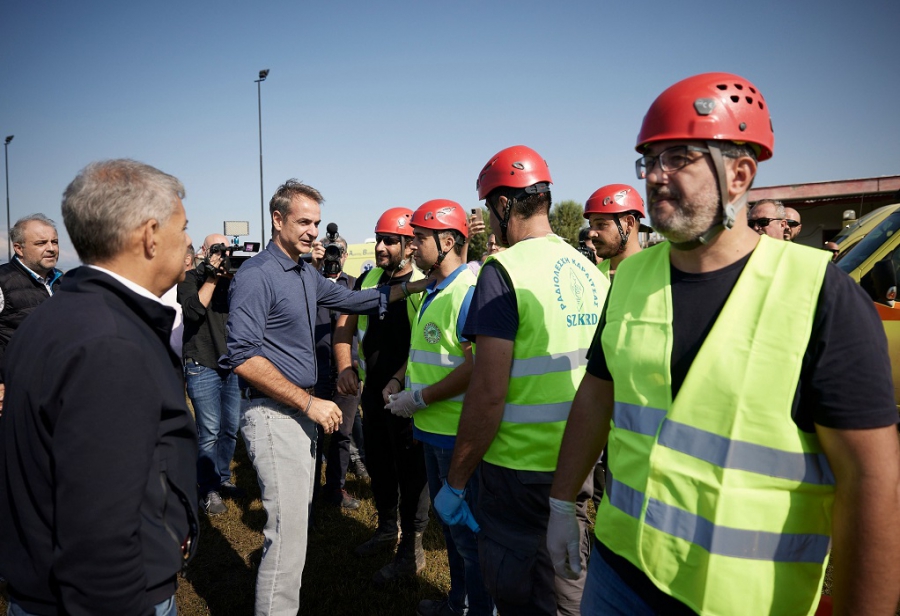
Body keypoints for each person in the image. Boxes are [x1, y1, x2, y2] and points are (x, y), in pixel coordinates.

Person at [549, 72, 900, 616]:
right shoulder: (631, 280)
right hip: (618, 573)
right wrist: (559, 500)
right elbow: (597, 395)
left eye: (679, 157)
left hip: (741, 601)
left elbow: (872, 482)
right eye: (650, 160)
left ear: (739, 174)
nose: (657, 177)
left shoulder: (821, 296)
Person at [0, 159, 198, 616]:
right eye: (183, 226)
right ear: (150, 235)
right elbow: (99, 534)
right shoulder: (111, 343)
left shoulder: (57, 316)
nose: (188, 240)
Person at [224, 181, 430, 615]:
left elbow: (355, 300)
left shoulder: (304, 272)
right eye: (304, 222)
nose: (313, 231)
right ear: (277, 220)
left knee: (295, 528)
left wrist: (414, 288)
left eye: (316, 222)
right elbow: (242, 356)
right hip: (274, 414)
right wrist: (308, 402)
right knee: (286, 534)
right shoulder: (256, 276)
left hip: (296, 414)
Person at [436, 145, 609, 616]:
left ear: (504, 204)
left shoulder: (503, 271)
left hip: (518, 471)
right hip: (579, 461)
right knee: (567, 576)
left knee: (522, 592)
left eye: (489, 209)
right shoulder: (590, 272)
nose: (490, 224)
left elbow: (489, 393)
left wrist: (456, 481)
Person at [382, 199, 492, 616]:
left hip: (454, 434)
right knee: (452, 532)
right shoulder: (435, 289)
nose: (412, 248)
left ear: (448, 241)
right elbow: (428, 353)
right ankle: (457, 603)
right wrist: (400, 382)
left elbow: (477, 364)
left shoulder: (467, 292)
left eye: (420, 239)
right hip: (431, 429)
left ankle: (476, 609)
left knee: (467, 536)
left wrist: (421, 398)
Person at [334, 208, 430, 584]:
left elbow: (426, 341)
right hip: (372, 393)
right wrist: (345, 366)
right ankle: (387, 528)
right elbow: (345, 323)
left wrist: (397, 380)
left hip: (409, 397)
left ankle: (413, 548)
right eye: (378, 238)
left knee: (412, 472)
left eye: (389, 240)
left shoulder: (424, 282)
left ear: (409, 245)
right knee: (379, 465)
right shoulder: (369, 278)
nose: (379, 247)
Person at [178, 233, 244, 516]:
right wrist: (213, 277)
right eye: (216, 250)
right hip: (201, 362)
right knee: (209, 431)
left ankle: (223, 478)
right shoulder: (190, 277)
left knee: (230, 429)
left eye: (226, 250)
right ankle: (208, 489)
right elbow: (192, 312)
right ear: (204, 252)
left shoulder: (234, 280)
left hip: (230, 364)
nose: (222, 255)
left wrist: (229, 276)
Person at [313, 233, 366, 509]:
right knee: (314, 434)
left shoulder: (355, 286)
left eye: (339, 251)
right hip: (316, 370)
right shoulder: (309, 281)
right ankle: (308, 492)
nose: (335, 256)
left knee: (343, 432)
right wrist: (313, 268)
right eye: (330, 250)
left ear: (346, 256)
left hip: (348, 370)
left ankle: (335, 488)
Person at [0, 213, 63, 363]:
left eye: (54, 242)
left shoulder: (64, 281)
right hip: (17, 381)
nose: (51, 248)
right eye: (41, 243)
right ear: (19, 248)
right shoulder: (3, 282)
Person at [583, 184, 645, 279]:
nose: (591, 233)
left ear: (628, 224)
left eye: (601, 224)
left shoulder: (659, 272)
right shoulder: (593, 277)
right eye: (591, 226)